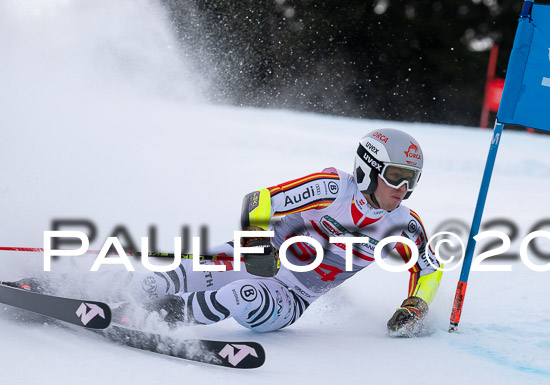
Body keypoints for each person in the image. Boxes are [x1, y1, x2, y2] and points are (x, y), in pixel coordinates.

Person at [6, 128, 443, 336]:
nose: (403, 189)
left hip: (288, 299)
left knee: (243, 296)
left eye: (412, 180)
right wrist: (257, 247)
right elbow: (260, 201)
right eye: (397, 176)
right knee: (158, 277)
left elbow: (429, 268)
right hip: (256, 261)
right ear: (368, 168)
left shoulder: (402, 224)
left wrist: (415, 306)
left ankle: (152, 316)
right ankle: (57, 287)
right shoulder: (331, 187)